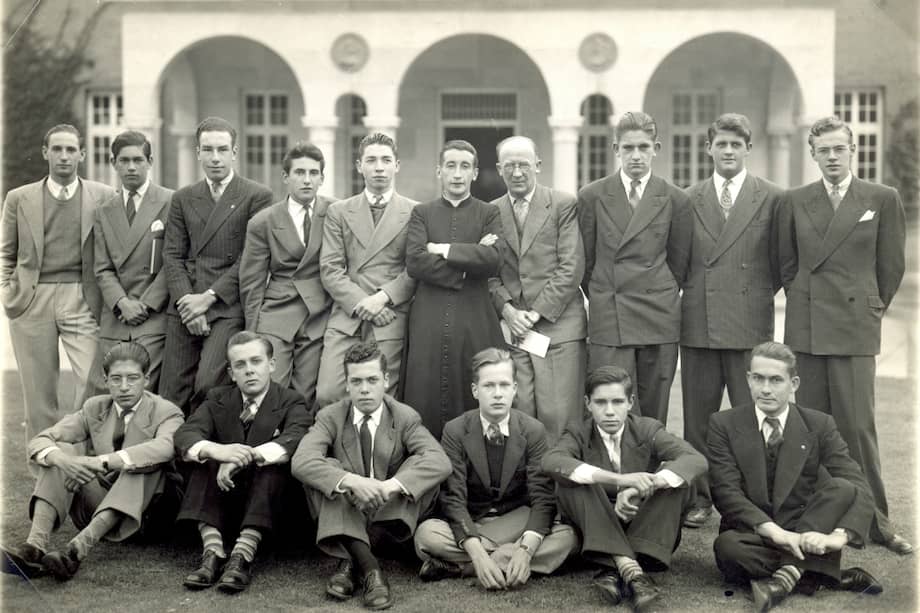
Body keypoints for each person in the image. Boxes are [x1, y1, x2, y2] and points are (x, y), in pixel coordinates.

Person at [777, 116, 910, 555]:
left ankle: (876, 521)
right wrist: (805, 299)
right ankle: (812, 516)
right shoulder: (795, 200)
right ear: (812, 154)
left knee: (856, 428)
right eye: (823, 151)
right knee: (810, 429)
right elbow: (786, 264)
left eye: (839, 149)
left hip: (854, 329)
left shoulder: (881, 198)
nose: (832, 157)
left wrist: (869, 307)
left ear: (852, 151)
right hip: (809, 327)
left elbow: (890, 267)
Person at [708, 342, 883, 611]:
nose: (766, 389)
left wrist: (837, 538)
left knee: (842, 487)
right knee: (728, 547)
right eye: (758, 378)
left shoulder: (819, 424)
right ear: (748, 380)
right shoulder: (723, 423)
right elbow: (726, 493)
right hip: (755, 531)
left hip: (808, 523)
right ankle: (821, 573)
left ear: (794, 383)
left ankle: (785, 578)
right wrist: (777, 534)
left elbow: (857, 482)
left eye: (776, 380)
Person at [0, 342, 184, 581]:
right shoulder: (95, 407)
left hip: (148, 516)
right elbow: (41, 440)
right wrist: (66, 462)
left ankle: (74, 552)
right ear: (106, 380)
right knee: (60, 451)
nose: (124, 387)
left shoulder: (167, 411)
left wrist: (101, 462)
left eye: (133, 378)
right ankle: (34, 549)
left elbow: (165, 447)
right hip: (99, 505)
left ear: (146, 379)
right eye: (116, 379)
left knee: (143, 464)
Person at [680, 114, 784, 529]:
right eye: (720, 144)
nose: (727, 151)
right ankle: (700, 499)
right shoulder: (688, 198)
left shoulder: (772, 197)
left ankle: (750, 500)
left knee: (751, 419)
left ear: (748, 149)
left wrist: (754, 295)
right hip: (700, 325)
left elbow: (780, 263)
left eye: (735, 145)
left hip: (749, 325)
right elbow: (678, 261)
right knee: (698, 421)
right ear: (709, 148)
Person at [292, 342, 450, 610]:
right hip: (349, 507)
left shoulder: (404, 416)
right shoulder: (330, 416)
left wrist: (389, 486)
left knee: (416, 467)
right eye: (357, 381)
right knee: (327, 471)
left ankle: (349, 560)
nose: (364, 389)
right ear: (347, 384)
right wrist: (353, 481)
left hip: (390, 516)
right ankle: (371, 571)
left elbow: (440, 461)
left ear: (386, 381)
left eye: (372, 380)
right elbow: (301, 461)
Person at [543, 365, 706, 610]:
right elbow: (551, 461)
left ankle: (612, 567)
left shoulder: (648, 429)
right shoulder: (578, 431)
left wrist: (640, 489)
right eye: (601, 402)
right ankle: (631, 569)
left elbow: (695, 460)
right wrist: (619, 480)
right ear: (588, 403)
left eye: (617, 402)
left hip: (644, 527)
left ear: (630, 402)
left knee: (679, 478)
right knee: (572, 480)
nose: (609, 411)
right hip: (596, 522)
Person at [414, 347, 578, 590]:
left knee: (567, 538)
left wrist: (524, 550)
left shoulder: (533, 430)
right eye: (489, 386)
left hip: (519, 525)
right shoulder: (455, 430)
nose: (498, 394)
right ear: (475, 390)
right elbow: (453, 499)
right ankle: (494, 562)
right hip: (474, 524)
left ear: (514, 389)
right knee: (426, 536)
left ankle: (463, 567)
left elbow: (542, 499)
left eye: (504, 385)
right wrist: (477, 552)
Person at [0, 124, 114, 449]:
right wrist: (9, 294)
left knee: (94, 384)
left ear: (82, 154)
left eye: (70, 150)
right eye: (57, 149)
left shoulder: (103, 196)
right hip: (32, 300)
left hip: (83, 296)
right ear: (45, 153)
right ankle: (45, 474)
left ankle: (86, 465)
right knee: (38, 396)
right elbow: (6, 251)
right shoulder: (19, 198)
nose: (64, 156)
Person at [173, 331, 311, 593]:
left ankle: (242, 556)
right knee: (204, 459)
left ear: (271, 365)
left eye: (256, 362)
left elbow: (296, 437)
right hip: (224, 500)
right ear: (231, 372)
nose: (249, 371)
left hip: (270, 507)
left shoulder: (291, 400)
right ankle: (212, 553)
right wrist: (217, 451)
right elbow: (185, 435)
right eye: (240, 365)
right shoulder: (217, 398)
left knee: (273, 465)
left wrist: (243, 457)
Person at [577, 111, 692, 424]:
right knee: (610, 405)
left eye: (643, 147)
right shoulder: (592, 196)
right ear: (616, 150)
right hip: (610, 313)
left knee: (654, 409)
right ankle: (611, 471)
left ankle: (651, 470)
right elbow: (585, 262)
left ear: (656, 148)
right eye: (628, 148)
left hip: (658, 313)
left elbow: (679, 263)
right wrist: (604, 291)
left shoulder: (675, 198)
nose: (636, 156)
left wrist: (658, 289)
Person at [160, 116, 273, 415]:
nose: (215, 158)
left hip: (225, 306)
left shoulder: (256, 196)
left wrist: (207, 299)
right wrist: (188, 303)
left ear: (234, 152)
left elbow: (251, 260)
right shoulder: (183, 197)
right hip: (185, 306)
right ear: (197, 152)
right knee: (171, 391)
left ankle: (204, 453)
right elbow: (172, 255)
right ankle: (169, 458)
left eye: (222, 150)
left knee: (208, 384)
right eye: (207, 150)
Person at [402, 140, 506, 438]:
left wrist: (443, 249)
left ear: (475, 173)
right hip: (429, 317)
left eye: (465, 167)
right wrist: (468, 262)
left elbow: (494, 260)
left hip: (474, 317)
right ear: (439, 171)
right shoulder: (422, 213)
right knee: (426, 393)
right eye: (451, 166)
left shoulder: (488, 213)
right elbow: (416, 263)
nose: (457, 174)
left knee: (471, 389)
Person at [488, 136, 586, 443]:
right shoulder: (490, 212)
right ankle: (529, 485)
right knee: (521, 410)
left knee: (559, 414)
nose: (517, 173)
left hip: (557, 325)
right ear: (499, 169)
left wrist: (534, 313)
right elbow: (488, 273)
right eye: (509, 166)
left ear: (538, 166)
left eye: (524, 165)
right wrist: (506, 309)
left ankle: (564, 483)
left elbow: (571, 267)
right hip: (514, 330)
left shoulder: (562, 204)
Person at [316, 133, 417, 406]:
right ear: (359, 165)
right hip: (349, 316)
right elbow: (331, 268)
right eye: (371, 160)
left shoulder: (414, 212)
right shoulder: (339, 211)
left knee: (381, 397)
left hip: (389, 316)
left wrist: (381, 299)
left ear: (397, 165)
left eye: (386, 160)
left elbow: (414, 270)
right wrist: (363, 302)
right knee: (329, 393)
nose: (379, 167)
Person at [239, 142, 334, 408]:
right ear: (285, 177)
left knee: (307, 395)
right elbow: (252, 283)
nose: (306, 180)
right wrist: (253, 333)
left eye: (313, 173)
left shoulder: (336, 212)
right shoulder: (264, 221)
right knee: (272, 391)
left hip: (319, 313)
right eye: (299, 173)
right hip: (277, 315)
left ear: (322, 178)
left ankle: (301, 447)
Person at [90, 130, 174, 394]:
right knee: (103, 394)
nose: (131, 167)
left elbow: (174, 261)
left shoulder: (171, 201)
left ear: (150, 162)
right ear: (113, 163)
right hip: (117, 318)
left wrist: (146, 305)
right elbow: (102, 268)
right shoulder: (104, 211)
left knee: (143, 392)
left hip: (153, 317)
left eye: (138, 160)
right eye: (124, 161)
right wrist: (121, 303)